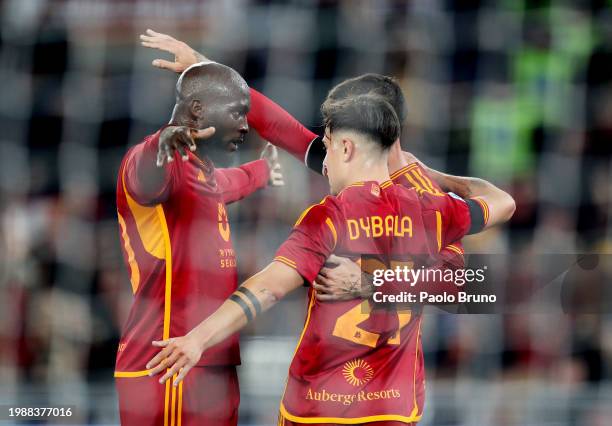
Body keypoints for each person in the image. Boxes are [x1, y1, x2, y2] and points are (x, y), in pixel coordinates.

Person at [145, 94, 515, 425]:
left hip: (316, 408)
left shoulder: (328, 217)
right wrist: (434, 176)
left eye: (328, 147)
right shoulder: (432, 211)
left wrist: (197, 338)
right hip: (392, 409)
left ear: (347, 148)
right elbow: (503, 202)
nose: (323, 165)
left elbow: (269, 287)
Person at [139, 30, 472, 299]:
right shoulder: (340, 164)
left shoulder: (422, 192)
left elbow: (470, 286)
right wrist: (200, 65)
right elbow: (276, 125)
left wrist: (372, 282)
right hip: (323, 371)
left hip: (391, 374)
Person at [115, 62, 283, 426]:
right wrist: (161, 142)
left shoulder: (202, 174)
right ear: (197, 109)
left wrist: (263, 171)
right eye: (238, 112)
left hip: (211, 358)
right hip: (168, 363)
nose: (244, 124)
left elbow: (231, 182)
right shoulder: (162, 163)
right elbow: (142, 174)